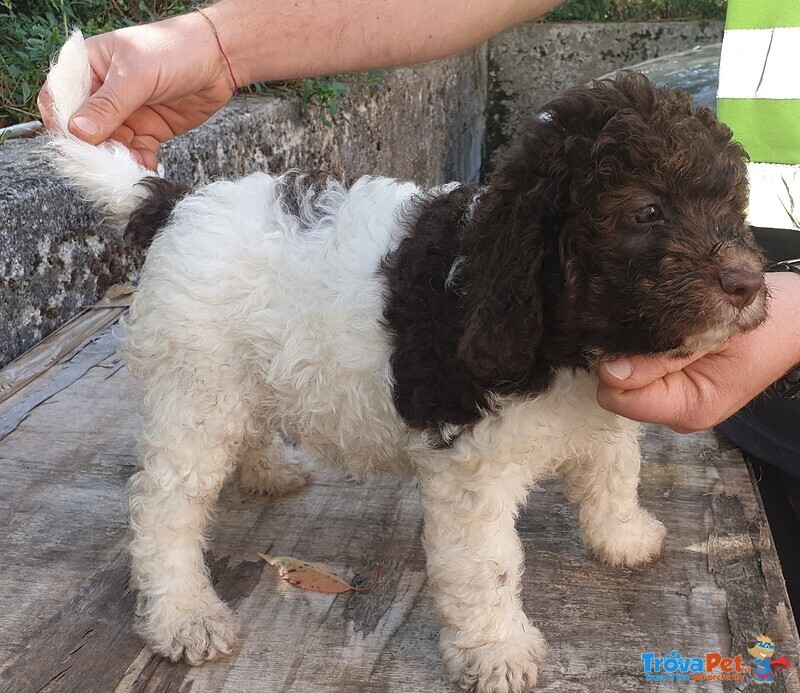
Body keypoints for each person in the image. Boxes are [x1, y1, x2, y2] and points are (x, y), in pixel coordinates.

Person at [36, 0, 800, 434]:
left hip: (763, 342)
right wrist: (215, 41)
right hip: (752, 370)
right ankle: (175, 567)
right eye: (649, 213)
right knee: (197, 438)